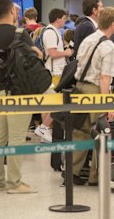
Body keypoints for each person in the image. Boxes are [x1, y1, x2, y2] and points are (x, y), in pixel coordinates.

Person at [0, 0, 42, 194]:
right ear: (11, 12)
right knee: (16, 138)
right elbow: (37, 55)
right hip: (18, 93)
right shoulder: (20, 33)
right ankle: (15, 183)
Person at [71, 7, 114, 186]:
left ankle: (73, 172)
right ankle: (96, 176)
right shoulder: (108, 47)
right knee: (100, 133)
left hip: (79, 88)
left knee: (80, 132)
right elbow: (105, 78)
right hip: (95, 91)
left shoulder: (88, 40)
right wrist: (109, 105)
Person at [34, 8, 73, 143]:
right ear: (58, 19)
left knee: (51, 104)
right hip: (53, 73)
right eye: (63, 18)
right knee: (55, 104)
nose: (65, 20)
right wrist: (67, 53)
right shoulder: (50, 32)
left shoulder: (53, 31)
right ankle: (44, 128)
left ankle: (45, 131)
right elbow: (53, 53)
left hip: (55, 72)